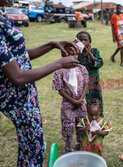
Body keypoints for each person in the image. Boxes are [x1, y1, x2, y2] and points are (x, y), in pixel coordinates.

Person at [0, 0, 80, 165]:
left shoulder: (2, 16)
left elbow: (20, 55)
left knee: (31, 146)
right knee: (33, 147)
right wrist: (59, 64)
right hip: (16, 99)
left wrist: (51, 45)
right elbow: (17, 77)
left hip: (26, 94)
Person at [52, 47, 89, 153]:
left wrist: (81, 99)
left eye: (75, 54)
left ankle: (80, 143)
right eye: (69, 55)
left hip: (81, 102)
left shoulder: (82, 68)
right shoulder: (59, 71)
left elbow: (86, 84)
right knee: (68, 126)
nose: (73, 57)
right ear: (63, 56)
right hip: (68, 104)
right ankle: (68, 147)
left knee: (81, 124)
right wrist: (73, 101)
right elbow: (60, 89)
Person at [75, 31, 104, 114]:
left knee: (95, 103)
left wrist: (89, 53)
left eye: (85, 40)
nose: (83, 42)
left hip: (93, 84)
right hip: (80, 84)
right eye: (80, 40)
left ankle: (97, 120)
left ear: (90, 42)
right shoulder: (76, 53)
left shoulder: (94, 51)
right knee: (82, 103)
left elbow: (99, 64)